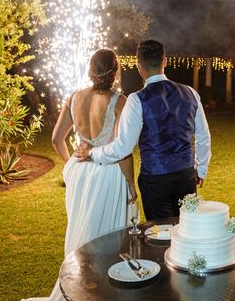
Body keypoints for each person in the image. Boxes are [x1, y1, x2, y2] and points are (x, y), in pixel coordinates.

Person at [23, 49, 136, 301]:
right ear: (115, 71)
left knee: (81, 228)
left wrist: (71, 166)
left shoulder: (75, 97)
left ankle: (79, 289)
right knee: (107, 235)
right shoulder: (120, 102)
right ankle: (101, 292)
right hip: (107, 174)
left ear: (90, 69)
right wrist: (131, 186)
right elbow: (122, 151)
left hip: (80, 173)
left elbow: (56, 139)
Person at [75, 39, 212, 220]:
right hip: (186, 176)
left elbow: (123, 148)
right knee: (187, 231)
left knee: (160, 236)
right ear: (165, 61)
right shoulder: (190, 93)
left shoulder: (137, 100)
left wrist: (92, 152)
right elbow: (203, 137)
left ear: (139, 66)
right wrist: (200, 170)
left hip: (155, 181)